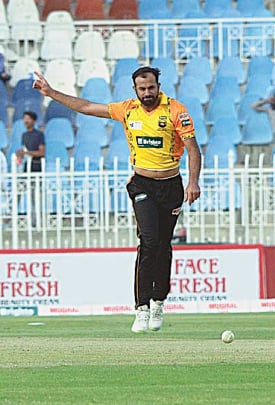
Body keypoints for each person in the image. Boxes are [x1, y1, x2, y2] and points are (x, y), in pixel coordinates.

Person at [32, 67, 202, 334]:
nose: (147, 93)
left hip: (171, 186)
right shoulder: (127, 110)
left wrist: (193, 182)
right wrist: (50, 92)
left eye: (151, 88)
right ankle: (142, 307)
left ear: (159, 86)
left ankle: (159, 300)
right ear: (134, 89)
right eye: (142, 89)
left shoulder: (176, 111)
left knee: (163, 245)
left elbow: (193, 148)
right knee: (148, 241)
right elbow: (87, 106)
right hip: (142, 183)